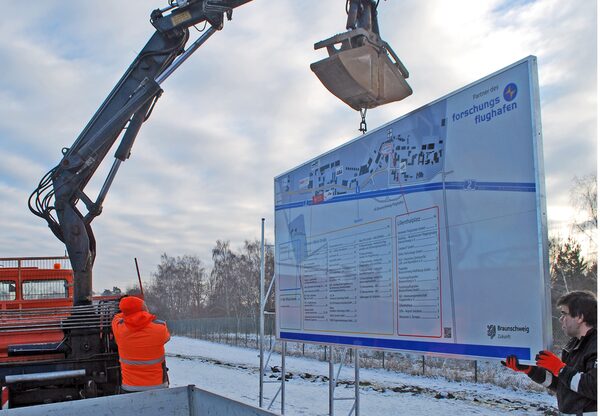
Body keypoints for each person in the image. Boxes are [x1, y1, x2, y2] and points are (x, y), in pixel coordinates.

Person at [503, 290, 597, 415]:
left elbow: (594, 387)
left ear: (580, 317)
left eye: (564, 314)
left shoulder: (595, 345)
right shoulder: (573, 344)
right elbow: (561, 384)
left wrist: (560, 368)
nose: (561, 319)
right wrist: (530, 369)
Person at [111, 296, 171, 393]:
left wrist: (126, 312)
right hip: (158, 386)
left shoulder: (119, 329)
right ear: (144, 309)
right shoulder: (160, 327)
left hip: (130, 387)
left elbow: (115, 318)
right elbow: (167, 338)